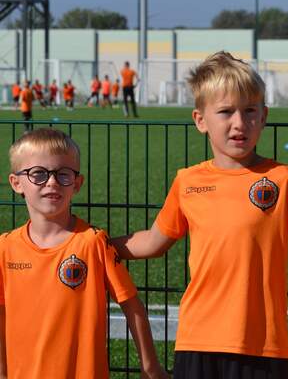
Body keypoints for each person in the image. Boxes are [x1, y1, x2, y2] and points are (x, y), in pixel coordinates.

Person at [111, 51, 288, 379]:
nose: (239, 123)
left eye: (250, 111)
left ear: (264, 116)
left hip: (262, 346)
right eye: (226, 112)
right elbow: (153, 242)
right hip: (197, 339)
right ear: (201, 120)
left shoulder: (282, 180)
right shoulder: (187, 181)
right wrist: (96, 245)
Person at [0, 128, 168, 378]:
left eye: (63, 174)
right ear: (16, 183)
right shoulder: (5, 248)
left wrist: (150, 366)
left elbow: (131, 305)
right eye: (38, 174)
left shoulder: (92, 242)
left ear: (77, 184)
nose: (52, 182)